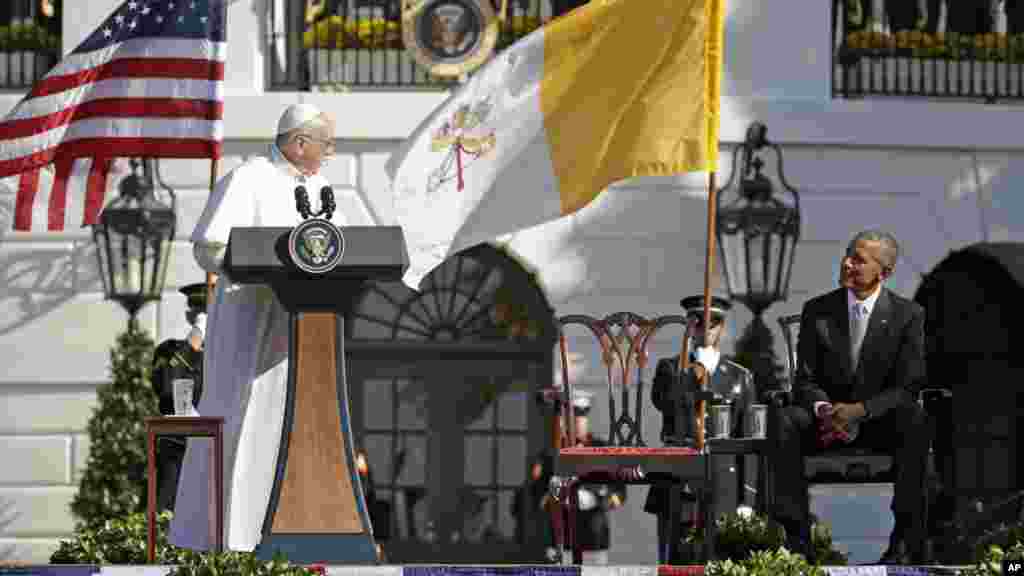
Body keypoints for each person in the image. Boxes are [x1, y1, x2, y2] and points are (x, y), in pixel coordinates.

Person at [169, 103, 344, 552]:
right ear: (299, 142)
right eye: (326, 144)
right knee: (243, 420)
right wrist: (265, 263)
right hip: (251, 320)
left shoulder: (322, 189)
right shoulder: (248, 178)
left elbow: (341, 254)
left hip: (303, 331)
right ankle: (232, 541)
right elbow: (209, 247)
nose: (330, 153)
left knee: (292, 425)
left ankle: (297, 533)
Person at [770, 229, 929, 564]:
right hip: (826, 423)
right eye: (847, 255)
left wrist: (860, 411)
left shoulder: (908, 315)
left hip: (877, 424)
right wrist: (826, 409)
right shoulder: (818, 310)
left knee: (914, 418)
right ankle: (796, 541)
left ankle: (905, 541)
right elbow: (805, 380)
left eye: (858, 259)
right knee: (786, 419)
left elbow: (908, 385)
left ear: (883, 272)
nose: (846, 263)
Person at [644, 295, 754, 564]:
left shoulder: (740, 376)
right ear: (689, 327)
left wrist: (747, 497)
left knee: (722, 560)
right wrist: (693, 372)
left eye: (713, 324)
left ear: (722, 327)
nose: (706, 331)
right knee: (678, 558)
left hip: (723, 480)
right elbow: (664, 402)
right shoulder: (670, 369)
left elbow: (747, 442)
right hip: (678, 479)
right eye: (698, 324)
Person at [527, 389, 626, 565]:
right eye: (572, 417)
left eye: (581, 416)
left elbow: (619, 491)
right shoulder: (551, 454)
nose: (577, 423)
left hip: (593, 536)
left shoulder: (603, 450)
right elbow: (537, 494)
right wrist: (554, 496)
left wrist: (600, 500)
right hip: (561, 538)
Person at [151, 283, 207, 512]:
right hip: (178, 448)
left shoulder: (231, 353)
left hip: (217, 446)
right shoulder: (169, 350)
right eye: (199, 311)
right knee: (169, 515)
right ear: (189, 315)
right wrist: (195, 339)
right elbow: (167, 387)